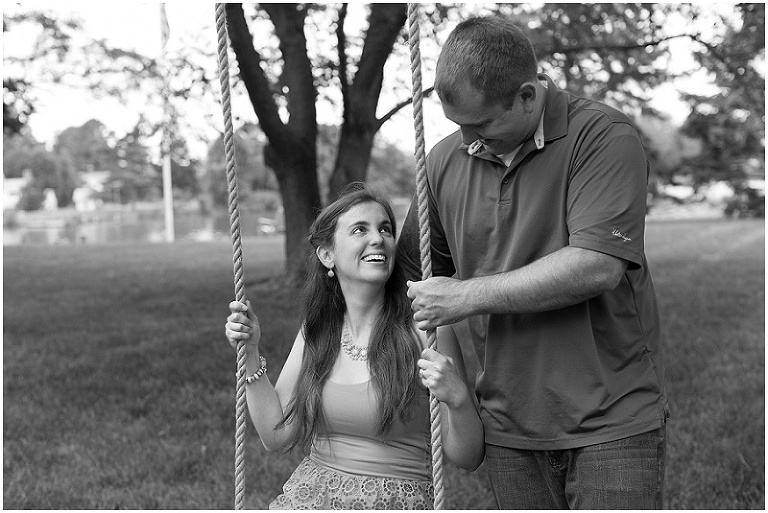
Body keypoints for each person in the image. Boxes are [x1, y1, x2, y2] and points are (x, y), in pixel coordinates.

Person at [397, 16, 669, 510]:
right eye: (457, 125)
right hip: (507, 426)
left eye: (480, 124)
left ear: (527, 95)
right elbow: (412, 278)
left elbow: (596, 264)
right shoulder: (442, 160)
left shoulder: (603, 137)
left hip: (611, 420)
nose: (466, 139)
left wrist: (465, 295)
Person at [225, 184, 484, 510]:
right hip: (311, 497)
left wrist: (457, 398)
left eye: (385, 229)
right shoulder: (318, 331)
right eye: (360, 229)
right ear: (327, 255)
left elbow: (468, 457)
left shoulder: (425, 329)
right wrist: (250, 352)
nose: (378, 238)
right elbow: (277, 436)